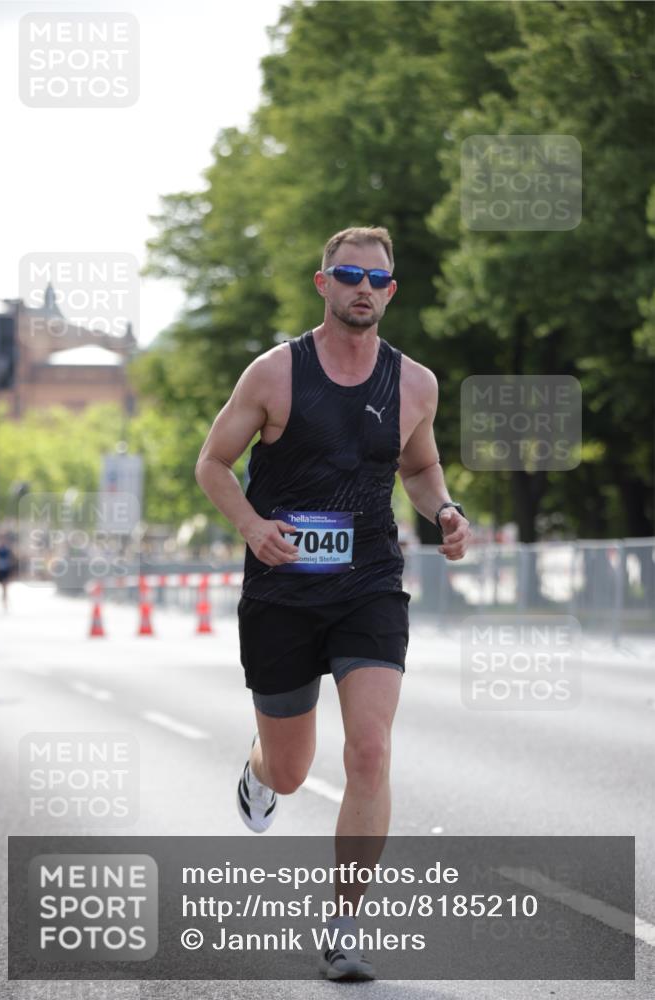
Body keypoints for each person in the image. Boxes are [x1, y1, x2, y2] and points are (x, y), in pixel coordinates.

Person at [195, 225, 470, 980]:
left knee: (371, 750)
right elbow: (213, 462)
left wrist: (442, 509)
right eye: (349, 274)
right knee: (291, 769)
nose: (363, 288)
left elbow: (419, 466)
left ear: (390, 291)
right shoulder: (274, 373)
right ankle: (258, 771)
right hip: (281, 589)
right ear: (323, 283)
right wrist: (252, 526)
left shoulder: (414, 382)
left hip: (369, 582)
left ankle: (343, 925)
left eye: (377, 279)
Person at [0, 532, 16, 610]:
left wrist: (11, 566)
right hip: (0, 569)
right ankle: (4, 597)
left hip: (6, 569)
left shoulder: (8, 549)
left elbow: (12, 558)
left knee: (5, 585)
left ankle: (4, 598)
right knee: (3, 585)